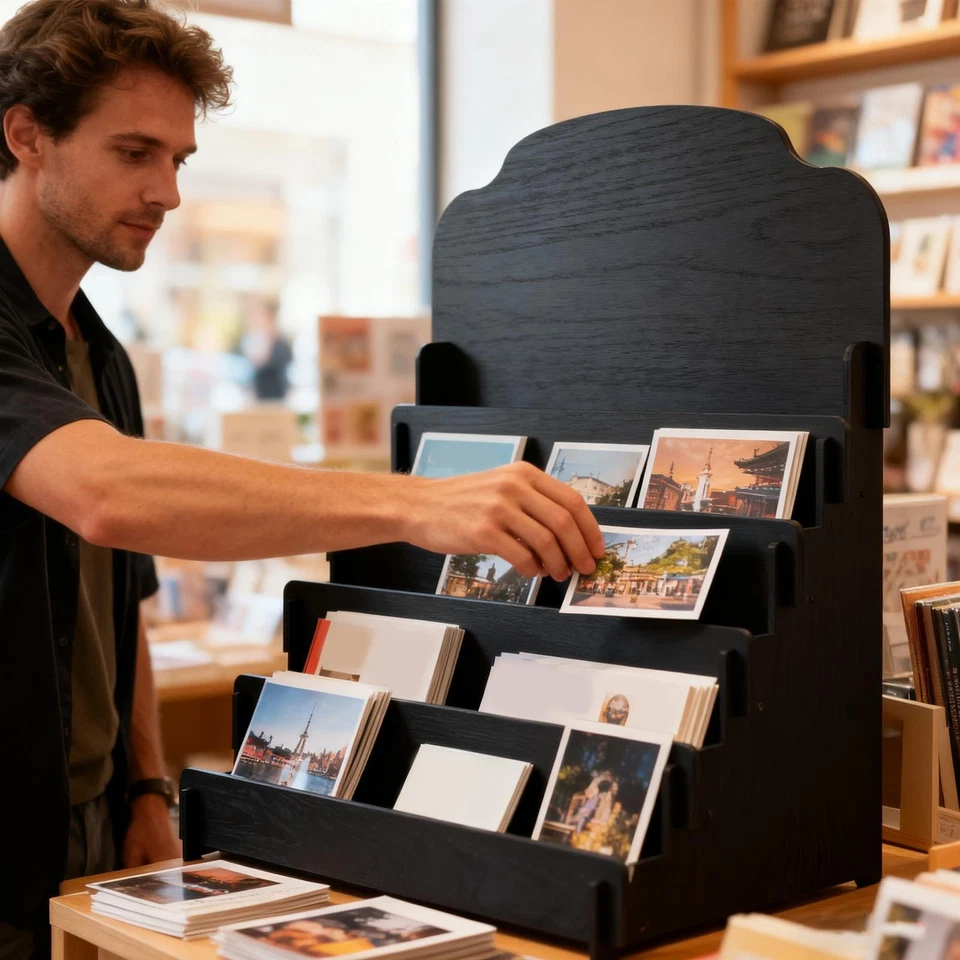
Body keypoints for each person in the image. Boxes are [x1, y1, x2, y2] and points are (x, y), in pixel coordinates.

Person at [0, 3, 604, 959]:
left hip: (93, 817)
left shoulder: (98, 354)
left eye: (178, 159)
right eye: (133, 152)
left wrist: (148, 789)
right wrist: (421, 503)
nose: (167, 191)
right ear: (26, 134)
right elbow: (105, 495)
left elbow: (124, 606)